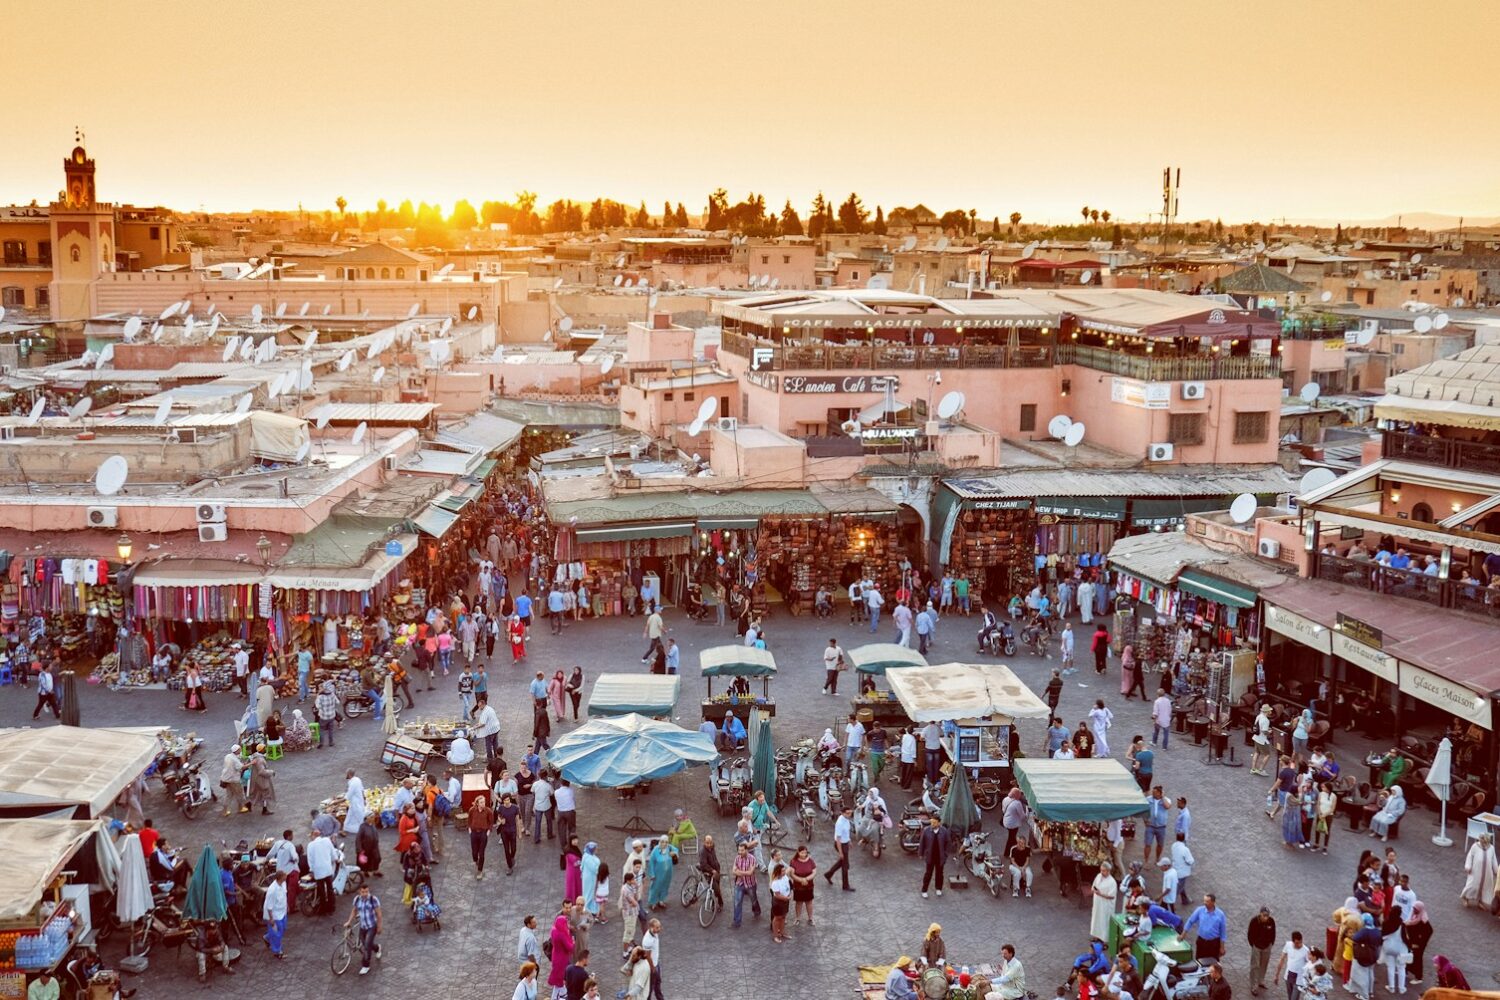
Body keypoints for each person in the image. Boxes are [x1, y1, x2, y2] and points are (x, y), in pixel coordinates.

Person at [345, 882, 381, 976]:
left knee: (366, 947)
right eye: (363, 892)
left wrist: (379, 926)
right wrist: (349, 921)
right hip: (363, 926)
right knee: (366, 944)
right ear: (359, 892)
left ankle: (366, 966)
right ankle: (377, 948)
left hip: (371, 926)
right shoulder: (357, 899)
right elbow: (354, 911)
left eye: (366, 891)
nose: (365, 894)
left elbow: (379, 914)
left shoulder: (373, 899)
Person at [1185, 893, 1228, 961]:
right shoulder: (1200, 910)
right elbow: (1190, 921)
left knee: (1213, 963)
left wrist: (1222, 947)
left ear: (1213, 902)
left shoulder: (1220, 914)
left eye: (1207, 901)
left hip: (1213, 944)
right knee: (1199, 961)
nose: (1205, 903)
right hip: (1201, 942)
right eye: (1204, 901)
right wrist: (1183, 934)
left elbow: (1223, 932)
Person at [1272, 930, 1311, 1000]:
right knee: (1290, 997)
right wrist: (1276, 975)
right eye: (1297, 943)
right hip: (1288, 976)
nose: (1299, 944)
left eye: (1300, 942)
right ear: (1293, 941)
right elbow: (1281, 960)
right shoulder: (1288, 945)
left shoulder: (1306, 950)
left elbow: (1310, 965)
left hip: (1299, 978)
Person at [918, 812, 949, 899]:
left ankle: (938, 888)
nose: (932, 824)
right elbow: (922, 843)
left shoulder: (944, 831)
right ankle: (924, 890)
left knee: (939, 874)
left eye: (934, 823)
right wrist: (921, 853)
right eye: (931, 822)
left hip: (940, 857)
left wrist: (945, 855)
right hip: (930, 856)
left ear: (939, 823)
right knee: (928, 873)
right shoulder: (926, 830)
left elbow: (947, 844)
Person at [1247, 907, 1277, 995]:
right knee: (1255, 966)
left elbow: (1273, 933)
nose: (1266, 917)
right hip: (1256, 946)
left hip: (1267, 946)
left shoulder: (1271, 921)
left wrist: (1271, 943)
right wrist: (1253, 944)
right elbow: (1250, 934)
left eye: (1267, 915)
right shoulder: (1254, 921)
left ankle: (1261, 981)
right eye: (1264, 915)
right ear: (1260, 914)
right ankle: (1254, 986)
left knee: (1264, 965)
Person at [1461, 833, 1497, 907]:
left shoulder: (1491, 848)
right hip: (1475, 871)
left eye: (1485, 842)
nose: (1483, 843)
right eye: (1482, 841)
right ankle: (1465, 897)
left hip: (1487, 873)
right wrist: (1468, 866)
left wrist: (1496, 870)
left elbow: (1494, 860)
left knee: (1485, 887)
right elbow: (1470, 857)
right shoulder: (1475, 846)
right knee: (1472, 885)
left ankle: (1480, 901)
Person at [825, 804, 854, 891]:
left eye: (850, 813)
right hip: (841, 844)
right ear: (842, 813)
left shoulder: (846, 820)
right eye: (847, 813)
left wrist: (849, 840)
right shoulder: (840, 823)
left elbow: (846, 833)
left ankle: (828, 874)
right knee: (845, 866)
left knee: (842, 863)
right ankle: (845, 886)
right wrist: (840, 852)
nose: (849, 815)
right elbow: (838, 839)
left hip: (845, 843)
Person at [548, 909, 575, 998]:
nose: (566, 925)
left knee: (558, 981)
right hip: (562, 959)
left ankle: (559, 995)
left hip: (556, 955)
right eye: (565, 923)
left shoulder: (554, 930)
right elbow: (570, 947)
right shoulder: (562, 934)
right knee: (559, 981)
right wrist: (573, 941)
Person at [645, 838, 677, 910]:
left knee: (665, 886)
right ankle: (653, 902)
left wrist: (674, 853)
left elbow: (676, 850)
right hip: (658, 873)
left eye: (666, 842)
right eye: (662, 842)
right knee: (655, 887)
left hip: (668, 873)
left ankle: (661, 900)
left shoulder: (669, 847)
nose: (664, 844)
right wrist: (652, 874)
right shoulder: (655, 850)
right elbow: (651, 863)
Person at [1089, 862, 1118, 941]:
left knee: (1104, 921)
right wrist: (1095, 891)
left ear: (1108, 871)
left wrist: (1100, 894)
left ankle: (1104, 940)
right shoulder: (1098, 876)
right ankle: (1095, 936)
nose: (1102, 872)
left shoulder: (1112, 882)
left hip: (1106, 905)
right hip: (1097, 903)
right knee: (1096, 919)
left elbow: (1112, 896)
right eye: (1101, 870)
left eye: (1104, 871)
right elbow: (1093, 886)